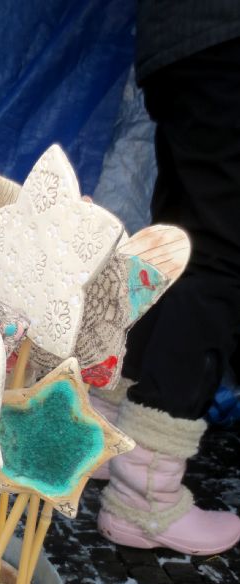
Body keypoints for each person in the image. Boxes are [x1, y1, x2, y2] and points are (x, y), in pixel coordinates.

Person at [97, 2, 240, 554]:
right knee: (220, 253)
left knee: (180, 244)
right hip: (225, 40)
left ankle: (108, 437)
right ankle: (144, 496)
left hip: (178, 41)